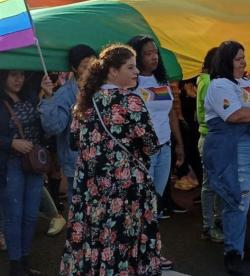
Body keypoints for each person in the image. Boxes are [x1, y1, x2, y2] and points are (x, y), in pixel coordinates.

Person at [60, 44, 163, 275]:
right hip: (124, 187)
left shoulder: (85, 102)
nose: (136, 72)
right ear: (113, 72)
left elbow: (74, 142)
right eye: (130, 67)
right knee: (124, 238)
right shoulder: (131, 101)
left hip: (90, 186)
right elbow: (151, 145)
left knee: (94, 235)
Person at [203, 40, 250, 275]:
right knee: (237, 198)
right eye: (239, 59)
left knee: (246, 196)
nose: (244, 62)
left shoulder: (246, 82)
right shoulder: (220, 84)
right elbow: (235, 115)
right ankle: (232, 252)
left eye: (244, 58)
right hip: (236, 147)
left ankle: (238, 243)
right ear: (226, 61)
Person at [128, 37, 185, 223]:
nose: (154, 57)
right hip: (143, 151)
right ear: (136, 57)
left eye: (155, 53)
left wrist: (179, 145)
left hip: (165, 148)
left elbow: (170, 115)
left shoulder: (161, 80)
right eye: (147, 53)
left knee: (156, 203)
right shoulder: (131, 84)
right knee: (143, 202)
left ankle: (151, 247)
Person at [39, 44, 96, 208]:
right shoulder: (64, 94)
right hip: (77, 161)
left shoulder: (102, 89)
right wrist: (49, 98)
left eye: (94, 64)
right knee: (79, 210)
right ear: (74, 68)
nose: (91, 69)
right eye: (85, 66)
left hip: (101, 159)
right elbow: (54, 127)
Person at [0, 70, 45, 276]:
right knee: (14, 216)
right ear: (3, 77)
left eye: (21, 75)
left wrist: (48, 96)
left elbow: (45, 127)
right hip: (11, 165)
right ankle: (15, 264)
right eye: (13, 75)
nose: (18, 79)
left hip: (34, 164)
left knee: (30, 215)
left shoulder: (30, 97)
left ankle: (25, 260)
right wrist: (11, 143)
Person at [196, 47, 224, 242]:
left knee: (218, 183)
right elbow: (207, 114)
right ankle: (208, 225)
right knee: (210, 185)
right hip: (210, 137)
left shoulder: (212, 81)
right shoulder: (207, 83)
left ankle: (217, 220)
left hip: (217, 138)